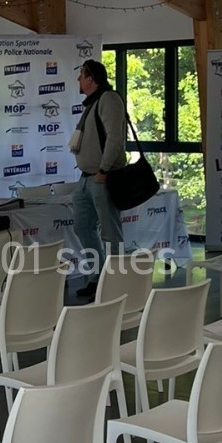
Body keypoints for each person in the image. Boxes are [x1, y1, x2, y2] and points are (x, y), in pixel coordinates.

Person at [70, 59, 127, 297]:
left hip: (103, 177)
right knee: (82, 226)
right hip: (86, 178)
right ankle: (98, 275)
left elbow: (115, 138)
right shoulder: (91, 103)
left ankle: (115, 282)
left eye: (81, 76)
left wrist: (103, 170)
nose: (78, 80)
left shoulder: (108, 99)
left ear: (91, 78)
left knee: (110, 233)